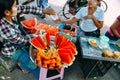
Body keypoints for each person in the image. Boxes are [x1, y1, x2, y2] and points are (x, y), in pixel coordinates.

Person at [0, 0, 55, 80]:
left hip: (20, 41)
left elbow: (26, 8)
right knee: (33, 65)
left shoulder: (10, 13)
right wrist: (38, 35)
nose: (17, 7)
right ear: (7, 12)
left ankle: (22, 64)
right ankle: (37, 75)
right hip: (13, 50)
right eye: (15, 6)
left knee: (35, 53)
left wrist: (43, 11)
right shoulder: (5, 29)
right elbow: (24, 40)